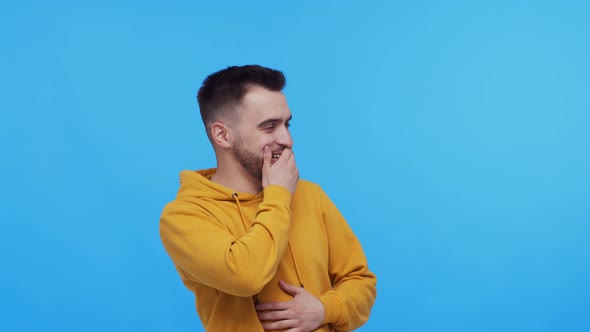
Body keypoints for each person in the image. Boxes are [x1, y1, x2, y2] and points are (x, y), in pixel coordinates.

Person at [160, 65, 377, 331]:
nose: (287, 139)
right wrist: (278, 196)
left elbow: (360, 282)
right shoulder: (183, 217)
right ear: (222, 135)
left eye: (287, 124)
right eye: (269, 127)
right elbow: (246, 276)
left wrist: (324, 309)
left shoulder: (310, 195)